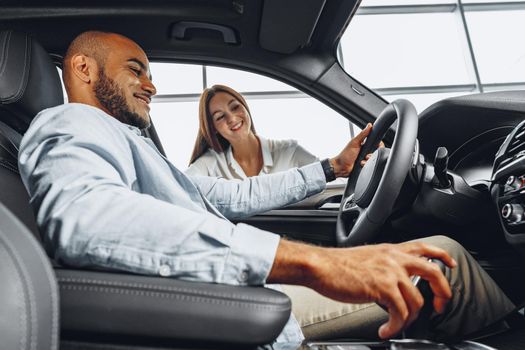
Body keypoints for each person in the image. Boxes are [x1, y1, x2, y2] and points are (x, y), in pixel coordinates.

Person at [18, 31, 514, 344]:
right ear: (83, 69)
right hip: (225, 307)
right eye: (136, 69)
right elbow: (87, 220)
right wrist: (320, 263)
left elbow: (227, 199)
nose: (151, 85)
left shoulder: (129, 143)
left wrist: (329, 168)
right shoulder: (71, 123)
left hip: (235, 292)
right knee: (439, 257)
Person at [186, 84, 321, 179]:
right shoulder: (211, 163)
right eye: (220, 117)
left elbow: (334, 181)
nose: (232, 118)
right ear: (213, 128)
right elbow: (181, 188)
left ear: (245, 107)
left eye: (235, 107)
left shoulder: (289, 151)